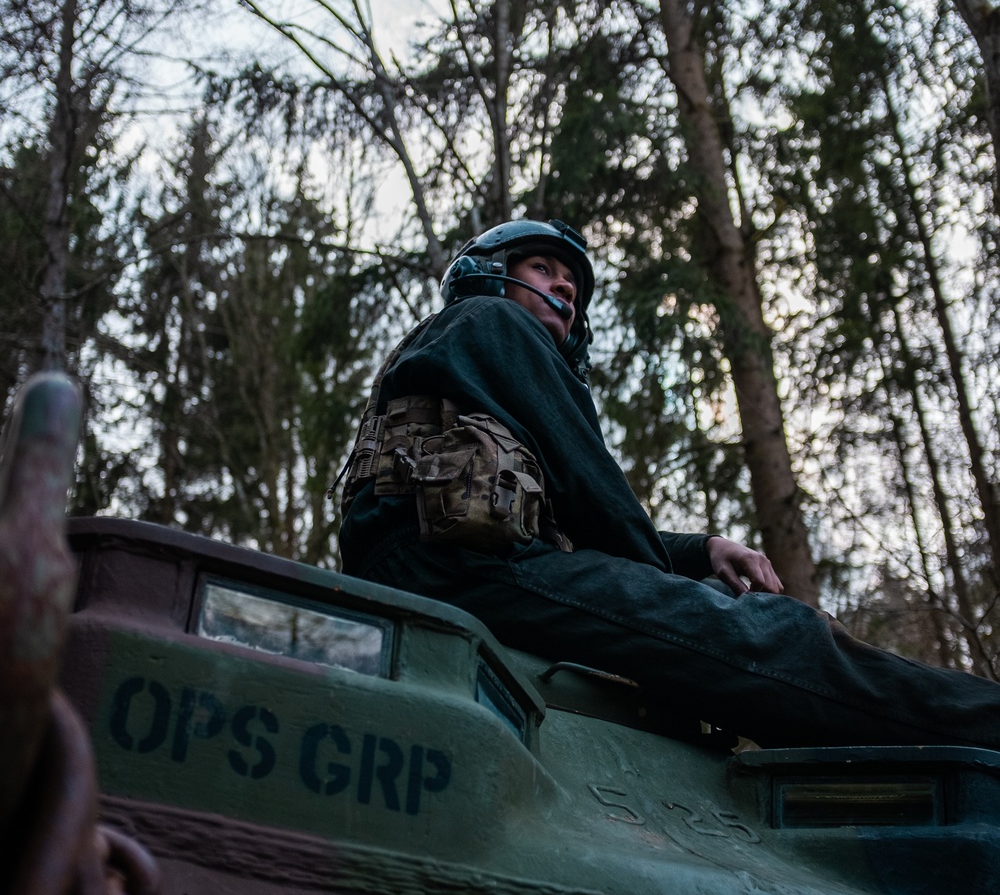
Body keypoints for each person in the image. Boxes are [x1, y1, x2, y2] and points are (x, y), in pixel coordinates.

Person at [338, 218, 1000, 750]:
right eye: (543, 269)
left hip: (447, 558)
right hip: (456, 562)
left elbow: (566, 519)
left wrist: (700, 550)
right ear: (490, 276)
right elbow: (592, 490)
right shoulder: (494, 323)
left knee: (720, 615)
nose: (565, 288)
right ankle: (980, 725)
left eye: (572, 281)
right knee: (767, 634)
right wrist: (685, 594)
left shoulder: (466, 347)